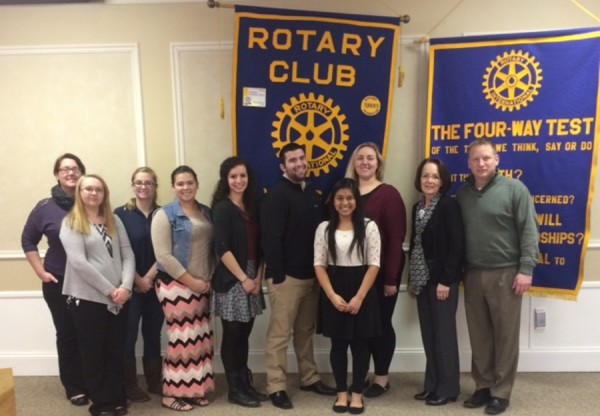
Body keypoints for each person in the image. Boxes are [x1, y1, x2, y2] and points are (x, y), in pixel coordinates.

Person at [456, 139, 539, 415]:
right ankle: (482, 386)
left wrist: (526, 269)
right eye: (476, 159)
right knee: (479, 335)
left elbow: (529, 230)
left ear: (497, 160)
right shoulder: (463, 194)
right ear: (468, 163)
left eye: (486, 158)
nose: (481, 163)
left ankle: (501, 392)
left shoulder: (515, 189)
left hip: (506, 273)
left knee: (505, 335)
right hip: (473, 272)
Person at [260, 142, 336, 410]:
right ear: (283, 166)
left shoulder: (312, 195)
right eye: (292, 160)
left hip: (311, 277)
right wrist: (278, 275)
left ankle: (309, 377)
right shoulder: (276, 196)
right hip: (286, 279)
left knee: (305, 332)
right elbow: (270, 239)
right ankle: (276, 386)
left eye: (302, 158)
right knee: (279, 335)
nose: (299, 163)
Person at [59, 174, 135, 416]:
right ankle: (102, 404)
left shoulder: (114, 221)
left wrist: (126, 286)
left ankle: (116, 396)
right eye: (88, 189)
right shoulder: (72, 222)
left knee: (115, 350)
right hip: (89, 299)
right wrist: (110, 290)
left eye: (98, 190)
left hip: (119, 297)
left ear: (105, 194)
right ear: (80, 193)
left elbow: (127, 254)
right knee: (93, 352)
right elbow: (79, 263)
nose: (94, 193)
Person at [21, 153, 88, 407]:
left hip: (91, 282)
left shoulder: (92, 200)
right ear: (57, 174)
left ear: (82, 172)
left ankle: (93, 380)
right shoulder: (45, 207)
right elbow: (28, 240)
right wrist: (40, 271)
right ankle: (74, 386)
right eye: (64, 169)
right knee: (68, 334)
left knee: (90, 333)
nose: (70, 173)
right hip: (58, 281)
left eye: (75, 168)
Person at [314, 178, 382, 415]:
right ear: (333, 201)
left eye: (350, 198)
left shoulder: (369, 226)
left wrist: (360, 297)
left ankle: (357, 394)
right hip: (334, 289)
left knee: (361, 344)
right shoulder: (323, 228)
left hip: (361, 289)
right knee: (338, 344)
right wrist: (332, 296)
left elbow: (374, 264)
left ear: (357, 200)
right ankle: (341, 393)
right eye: (340, 198)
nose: (345, 203)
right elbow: (319, 265)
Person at [151, 165, 215, 412]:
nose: (185, 187)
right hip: (176, 285)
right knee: (182, 341)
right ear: (173, 187)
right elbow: (164, 256)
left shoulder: (206, 212)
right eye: (180, 184)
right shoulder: (164, 214)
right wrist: (192, 282)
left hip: (203, 285)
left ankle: (193, 389)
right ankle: (170, 394)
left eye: (190, 183)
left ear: (197, 184)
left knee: (200, 341)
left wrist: (206, 280)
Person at [345, 142, 406, 397]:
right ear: (354, 163)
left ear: (378, 164)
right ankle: (361, 375)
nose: (365, 163)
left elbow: (395, 239)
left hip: (382, 273)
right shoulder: (345, 192)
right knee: (361, 327)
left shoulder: (388, 194)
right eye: (360, 158)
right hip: (353, 273)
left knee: (380, 324)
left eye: (371, 158)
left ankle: (381, 378)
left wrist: (390, 279)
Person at [211, 156, 267, 408]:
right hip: (232, 277)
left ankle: (245, 383)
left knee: (245, 333)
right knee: (232, 334)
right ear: (226, 180)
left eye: (242, 175)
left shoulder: (254, 206)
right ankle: (235, 389)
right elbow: (221, 248)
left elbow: (262, 245)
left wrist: (258, 277)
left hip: (253, 275)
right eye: (233, 176)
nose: (238, 180)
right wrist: (244, 278)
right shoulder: (222, 208)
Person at [408, 158, 464, 406]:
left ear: (442, 181)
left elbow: (456, 247)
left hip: (443, 280)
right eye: (425, 176)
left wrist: (446, 280)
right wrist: (413, 279)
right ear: (419, 180)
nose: (429, 180)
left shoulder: (448, 207)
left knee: (444, 336)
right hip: (423, 279)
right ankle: (432, 385)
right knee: (429, 334)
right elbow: (416, 246)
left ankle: (448, 388)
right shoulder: (416, 207)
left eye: (434, 176)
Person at [114, 167, 163, 402]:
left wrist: (149, 278)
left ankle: (155, 381)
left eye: (148, 183)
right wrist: (137, 279)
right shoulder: (120, 215)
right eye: (138, 183)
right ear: (133, 186)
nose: (143, 187)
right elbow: (117, 253)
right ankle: (129, 385)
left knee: (153, 334)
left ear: (155, 186)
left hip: (157, 286)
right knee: (128, 336)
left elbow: (167, 251)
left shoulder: (164, 214)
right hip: (129, 287)